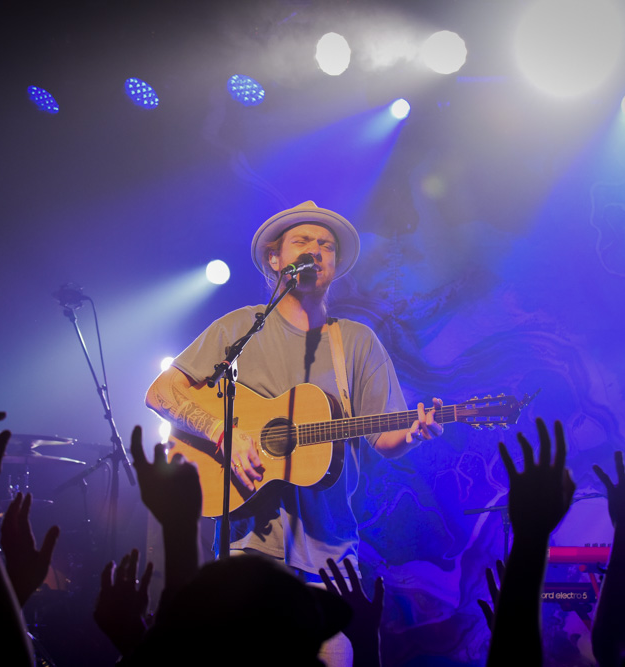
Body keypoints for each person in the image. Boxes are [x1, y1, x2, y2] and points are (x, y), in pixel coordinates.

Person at [145, 201, 442, 665]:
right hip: (247, 549)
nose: (316, 251)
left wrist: (414, 433)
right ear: (275, 258)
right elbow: (162, 391)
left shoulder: (355, 342)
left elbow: (385, 439)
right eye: (302, 241)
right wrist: (224, 432)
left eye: (326, 245)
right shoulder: (240, 328)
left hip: (331, 554)